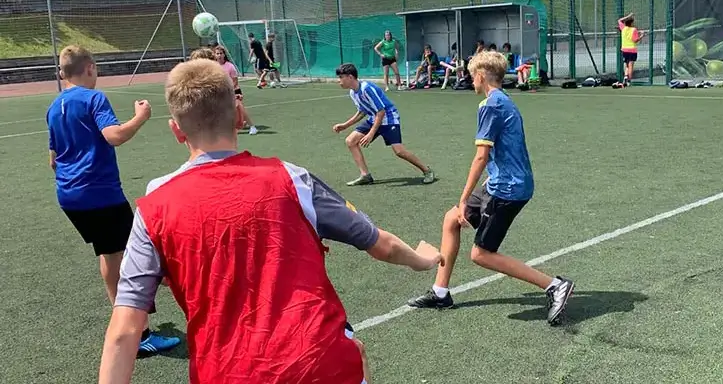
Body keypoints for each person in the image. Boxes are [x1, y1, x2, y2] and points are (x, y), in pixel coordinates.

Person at [98, 58, 444, 384]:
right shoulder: (292, 179)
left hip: (225, 372)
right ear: (237, 117)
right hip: (320, 363)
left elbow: (125, 331)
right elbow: (378, 243)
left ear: (177, 130)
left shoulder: (153, 207)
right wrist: (422, 259)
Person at [407, 51, 575, 326]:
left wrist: (463, 199)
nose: (470, 81)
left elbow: (481, 156)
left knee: (481, 254)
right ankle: (440, 292)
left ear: (481, 76)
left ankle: (555, 285)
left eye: (472, 76)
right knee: (451, 220)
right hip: (499, 181)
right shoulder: (504, 101)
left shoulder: (490, 105)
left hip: (508, 190)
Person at [46, 45, 180, 354]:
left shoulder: (54, 107)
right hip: (99, 194)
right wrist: (141, 116)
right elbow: (114, 136)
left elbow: (53, 159)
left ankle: (134, 317)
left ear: (62, 73)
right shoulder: (93, 98)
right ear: (90, 68)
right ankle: (139, 334)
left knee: (109, 253)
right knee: (131, 254)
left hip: (69, 196)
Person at [332, 63, 436, 186]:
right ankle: (365, 175)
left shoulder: (367, 89)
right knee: (350, 141)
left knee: (399, 151)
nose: (339, 81)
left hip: (389, 118)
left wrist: (371, 134)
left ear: (350, 77)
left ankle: (427, 171)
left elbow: (381, 112)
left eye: (341, 77)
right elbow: (362, 111)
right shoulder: (353, 92)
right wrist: (345, 125)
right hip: (374, 118)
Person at [212, 46, 258, 135]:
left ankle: (252, 127)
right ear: (214, 55)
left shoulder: (229, 66)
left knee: (240, 109)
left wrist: (229, 91)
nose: (219, 55)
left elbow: (235, 81)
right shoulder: (214, 66)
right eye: (217, 53)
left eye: (221, 53)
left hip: (234, 91)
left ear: (224, 54)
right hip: (221, 92)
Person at [618, 12, 644, 85]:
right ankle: (629, 80)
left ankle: (626, 77)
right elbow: (635, 40)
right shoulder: (634, 30)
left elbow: (619, 20)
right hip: (632, 50)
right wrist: (641, 35)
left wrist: (628, 16)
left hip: (624, 50)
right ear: (631, 23)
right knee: (630, 65)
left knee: (626, 65)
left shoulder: (623, 28)